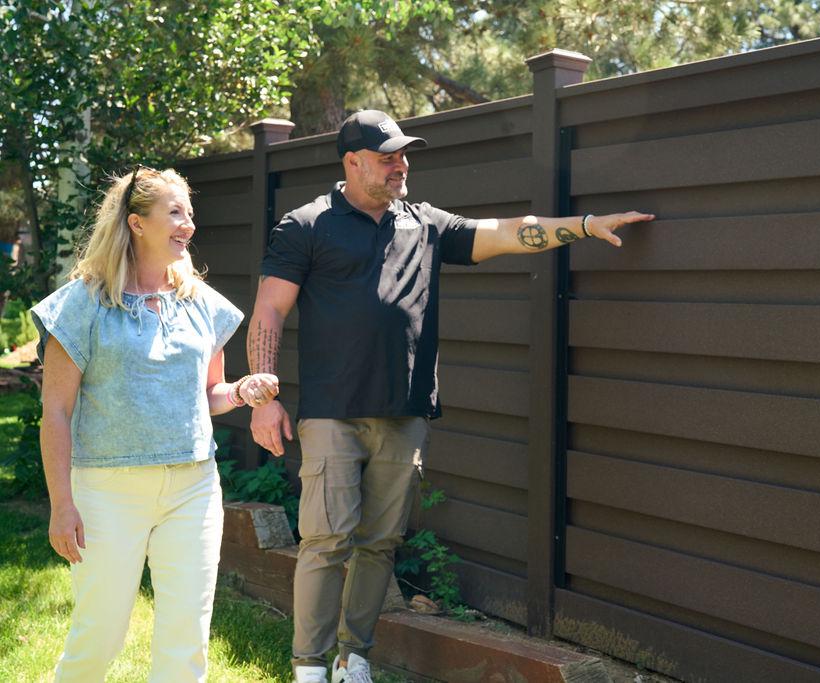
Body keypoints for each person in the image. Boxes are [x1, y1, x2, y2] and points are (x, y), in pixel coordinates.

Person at [246, 110, 654, 683]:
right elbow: (268, 311)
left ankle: (352, 657)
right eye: (388, 157)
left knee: (380, 542)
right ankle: (309, 667)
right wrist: (263, 395)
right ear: (353, 162)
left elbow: (511, 232)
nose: (401, 165)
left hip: (406, 412)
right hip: (333, 411)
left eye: (404, 155)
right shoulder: (307, 224)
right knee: (326, 540)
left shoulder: (426, 223)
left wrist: (585, 224)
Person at [33, 166, 279, 682]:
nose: (187, 223)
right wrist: (62, 504)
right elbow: (55, 411)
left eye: (190, 213)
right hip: (106, 490)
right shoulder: (83, 303)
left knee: (186, 640)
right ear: (136, 222)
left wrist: (241, 392)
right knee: (99, 637)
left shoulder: (201, 304)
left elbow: (207, 396)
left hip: (193, 488)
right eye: (174, 212)